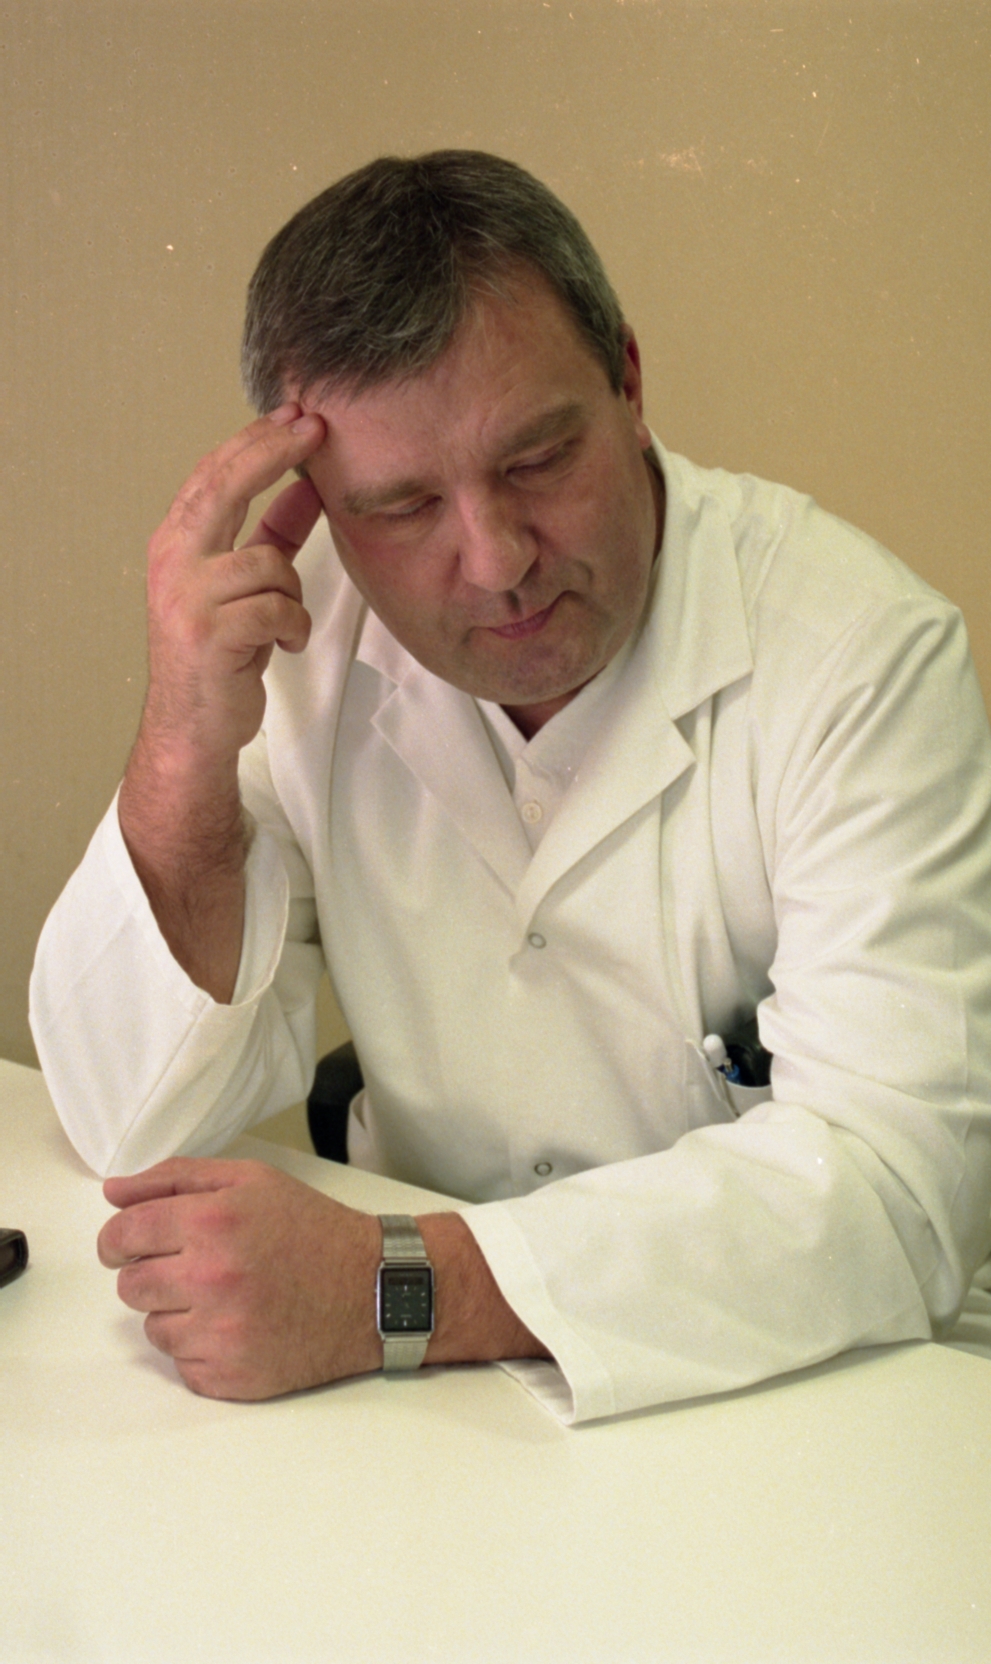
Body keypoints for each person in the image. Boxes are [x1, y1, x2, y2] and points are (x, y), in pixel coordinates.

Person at [30, 151, 991, 1423]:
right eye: (402, 505)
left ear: (628, 384)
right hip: (443, 1404)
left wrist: (392, 1288)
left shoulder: (857, 651)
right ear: (319, 506)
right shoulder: (300, 641)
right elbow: (130, 1118)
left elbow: (898, 1190)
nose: (494, 562)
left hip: (810, 1385)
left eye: (536, 458)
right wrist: (178, 745)